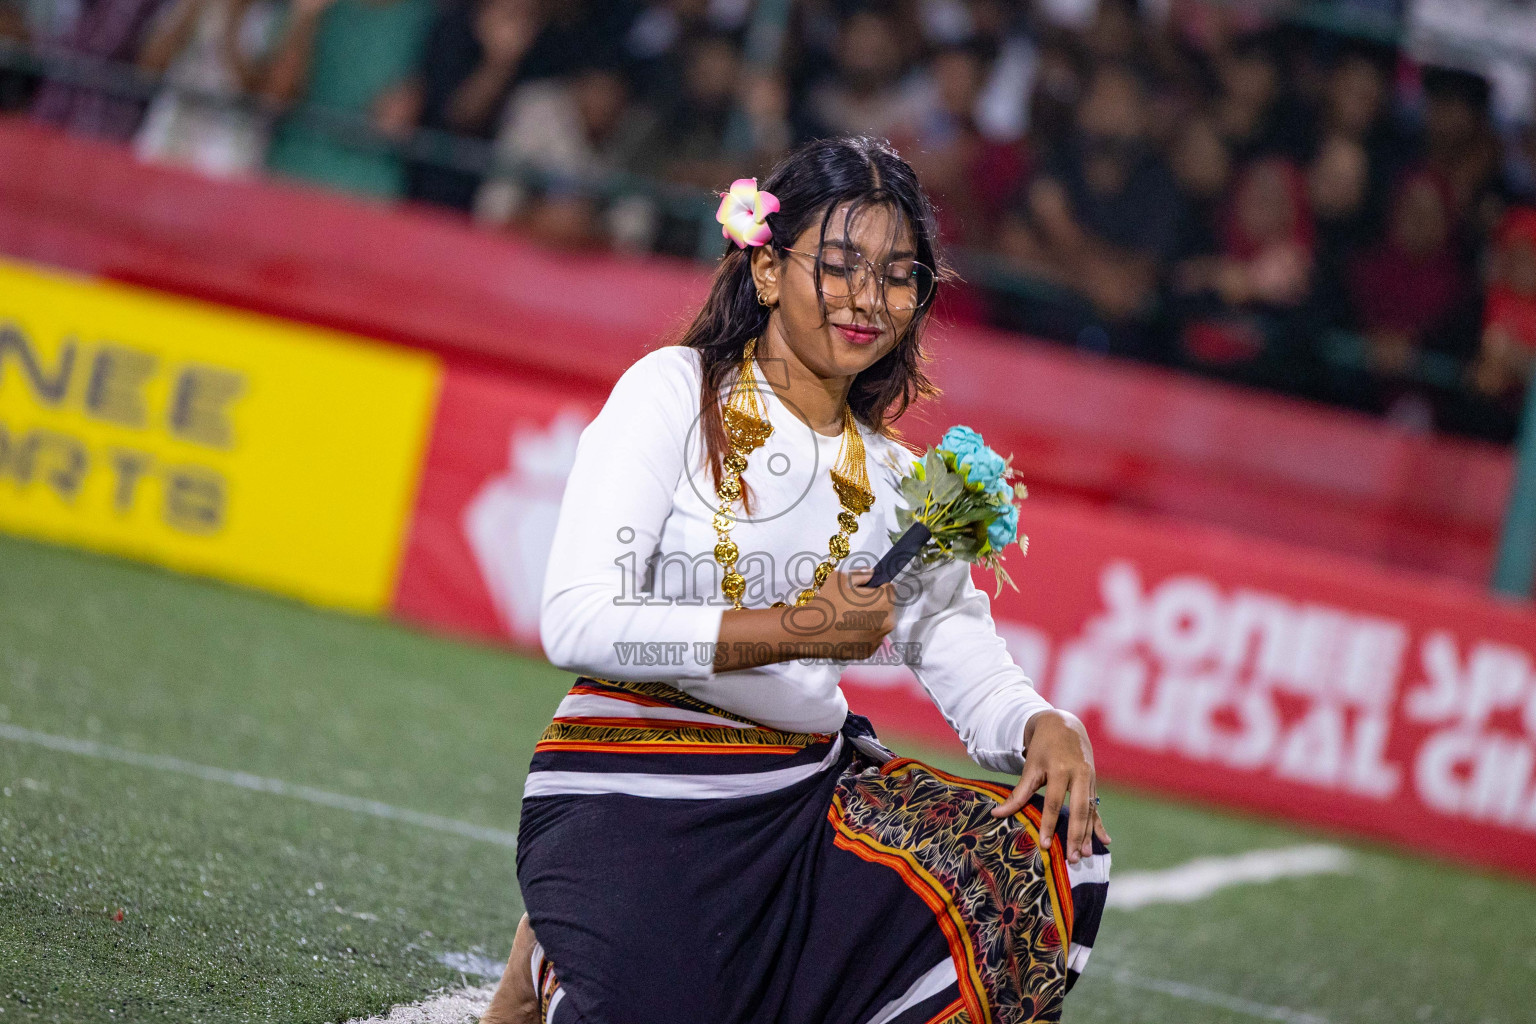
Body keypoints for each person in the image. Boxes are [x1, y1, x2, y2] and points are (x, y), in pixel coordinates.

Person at [478, 136, 1110, 1024]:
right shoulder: (676, 391)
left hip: (800, 803)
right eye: (841, 265)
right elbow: (577, 621)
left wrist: (1043, 722)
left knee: (1029, 860)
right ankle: (554, 951)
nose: (868, 299)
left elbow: (962, 652)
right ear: (768, 271)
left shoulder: (897, 477)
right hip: (633, 779)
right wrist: (794, 628)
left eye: (897, 276)